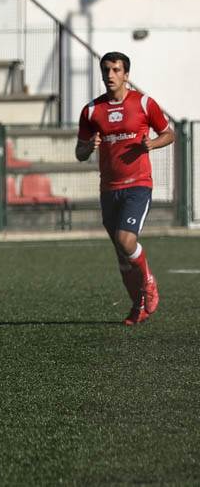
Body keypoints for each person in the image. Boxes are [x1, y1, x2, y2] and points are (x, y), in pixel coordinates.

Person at [75, 51, 174, 325]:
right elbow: (79, 153)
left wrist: (152, 144)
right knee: (122, 258)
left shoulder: (143, 103)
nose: (110, 75)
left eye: (116, 70)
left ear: (126, 74)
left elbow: (169, 133)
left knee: (126, 240)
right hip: (109, 189)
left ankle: (149, 282)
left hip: (138, 186)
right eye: (106, 70)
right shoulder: (91, 111)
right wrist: (87, 146)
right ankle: (137, 305)